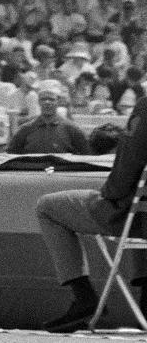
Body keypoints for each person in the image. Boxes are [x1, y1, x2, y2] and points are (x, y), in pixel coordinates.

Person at [35, 95, 147, 332]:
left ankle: (84, 298)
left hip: (131, 215)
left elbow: (126, 169)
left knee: (47, 207)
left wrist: (109, 193)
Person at [6, 81, 89, 155]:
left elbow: (88, 156)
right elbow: (10, 156)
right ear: (38, 101)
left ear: (58, 101)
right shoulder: (25, 130)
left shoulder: (72, 129)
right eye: (43, 99)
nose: (47, 102)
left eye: (51, 99)